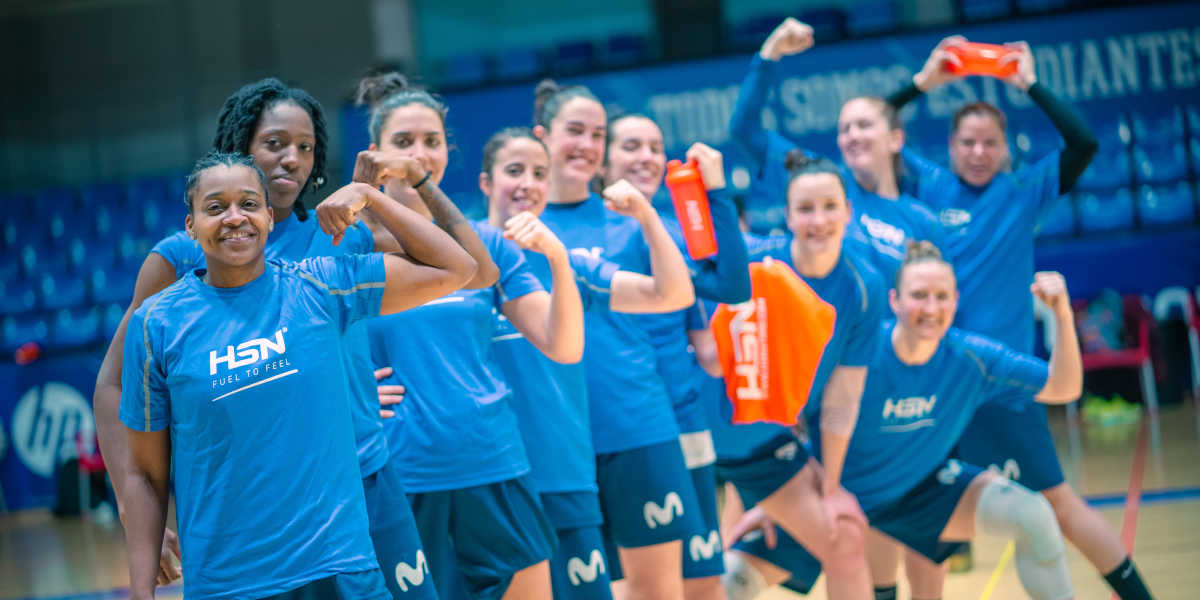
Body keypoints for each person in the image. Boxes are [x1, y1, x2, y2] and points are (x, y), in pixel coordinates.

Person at [95, 78, 449, 598]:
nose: (291, 160)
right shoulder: (183, 256)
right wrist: (132, 502)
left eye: (304, 148)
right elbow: (112, 385)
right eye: (274, 144)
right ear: (239, 147)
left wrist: (386, 193)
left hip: (363, 475)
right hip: (258, 514)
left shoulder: (339, 231)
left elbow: (463, 271)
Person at [887, 37, 1150, 599]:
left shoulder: (1023, 190)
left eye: (989, 142)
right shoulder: (929, 185)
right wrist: (924, 82)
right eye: (967, 142)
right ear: (950, 146)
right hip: (936, 386)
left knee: (1057, 504)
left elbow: (1084, 142)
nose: (978, 152)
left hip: (1001, 389)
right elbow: (872, 127)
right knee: (918, 529)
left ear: (1006, 147)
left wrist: (1029, 82)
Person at [731, 242, 1083, 600]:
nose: (931, 308)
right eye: (919, 296)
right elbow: (781, 419)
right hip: (835, 499)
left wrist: (1063, 315)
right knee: (732, 579)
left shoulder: (973, 360)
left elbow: (1063, 387)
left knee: (1034, 515)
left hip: (919, 493)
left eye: (941, 296)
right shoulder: (856, 352)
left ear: (955, 300)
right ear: (895, 301)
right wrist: (776, 501)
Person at [355, 73, 565, 600]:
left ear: (449, 149)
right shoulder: (350, 249)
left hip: (493, 460)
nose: (418, 154)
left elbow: (562, 343)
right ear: (376, 153)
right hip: (402, 471)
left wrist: (560, 260)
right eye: (403, 143)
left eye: (431, 141)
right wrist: (348, 390)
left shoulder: (489, 243)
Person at [481, 126, 698, 600]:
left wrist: (644, 212)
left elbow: (674, 293)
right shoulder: (459, 267)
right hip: (491, 480)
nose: (528, 183)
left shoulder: (569, 263)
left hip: (564, 472)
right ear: (484, 182)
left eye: (539, 173)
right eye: (513, 171)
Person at [532, 80, 708, 600]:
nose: (586, 144)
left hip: (637, 428)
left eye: (597, 135)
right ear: (544, 136)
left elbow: (685, 294)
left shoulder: (630, 225)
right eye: (574, 131)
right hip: (558, 440)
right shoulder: (517, 229)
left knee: (659, 593)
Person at [708, 152, 887, 600]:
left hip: (768, 447)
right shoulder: (750, 265)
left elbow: (842, 400)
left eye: (830, 207)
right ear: (786, 216)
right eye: (805, 209)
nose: (818, 220)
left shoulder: (863, 288)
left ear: (849, 211)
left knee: (843, 535)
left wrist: (829, 488)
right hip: (710, 434)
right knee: (689, 575)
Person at [601, 112, 751, 600]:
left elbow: (712, 342)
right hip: (612, 433)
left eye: (654, 146)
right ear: (605, 157)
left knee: (704, 581)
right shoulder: (574, 233)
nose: (644, 156)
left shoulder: (669, 235)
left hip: (683, 425)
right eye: (630, 145)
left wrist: (716, 193)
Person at [729, 17, 942, 285]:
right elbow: (745, 130)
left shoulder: (922, 221)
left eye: (863, 126)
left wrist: (919, 85)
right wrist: (769, 54)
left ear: (895, 140)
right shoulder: (818, 184)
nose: (852, 136)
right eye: (844, 129)